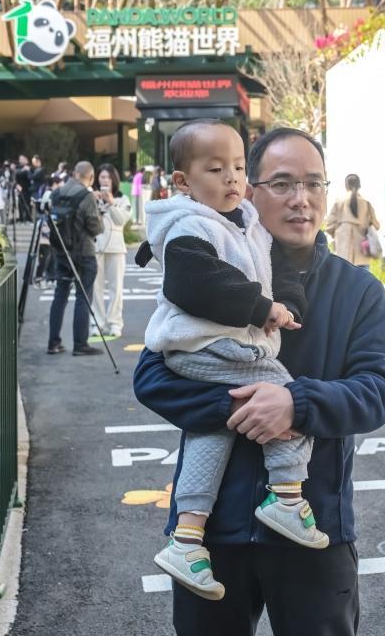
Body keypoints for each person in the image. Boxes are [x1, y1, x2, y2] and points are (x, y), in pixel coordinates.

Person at [133, 127, 385, 635]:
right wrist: (242, 408)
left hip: (315, 525)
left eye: (314, 184)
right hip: (211, 534)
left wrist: (294, 404)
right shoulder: (208, 275)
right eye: (282, 184)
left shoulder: (357, 289)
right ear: (248, 190)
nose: (301, 200)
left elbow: (378, 392)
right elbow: (152, 376)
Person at [134, 119, 326, 601]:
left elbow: (276, 273)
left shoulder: (245, 223)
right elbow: (194, 282)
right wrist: (263, 310)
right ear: (183, 182)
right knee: (283, 391)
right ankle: (287, 495)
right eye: (216, 169)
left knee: (212, 429)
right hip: (203, 344)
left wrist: (288, 304)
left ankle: (187, 538)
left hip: (210, 348)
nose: (232, 179)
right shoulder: (190, 225)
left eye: (238, 168)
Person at [47, 161, 104, 356]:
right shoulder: (86, 196)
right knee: (83, 297)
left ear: (74, 173)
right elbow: (95, 227)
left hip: (62, 252)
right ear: (91, 177)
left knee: (60, 295)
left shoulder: (57, 193)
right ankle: (80, 344)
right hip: (84, 253)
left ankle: (53, 343)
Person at [90, 164, 131, 337]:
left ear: (113, 179)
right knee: (95, 288)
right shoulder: (92, 197)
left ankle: (114, 323)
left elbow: (121, 220)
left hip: (116, 248)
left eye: (107, 177)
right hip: (96, 247)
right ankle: (97, 323)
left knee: (116, 288)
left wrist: (111, 202)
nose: (104, 180)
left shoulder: (123, 199)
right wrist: (93, 200)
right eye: (101, 177)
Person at [324, 173, 380, 267]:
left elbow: (329, 226)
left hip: (343, 255)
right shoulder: (366, 204)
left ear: (346, 186)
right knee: (364, 280)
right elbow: (376, 226)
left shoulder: (339, 203)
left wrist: (339, 235)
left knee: (344, 281)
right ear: (359, 186)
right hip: (363, 254)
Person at [14, 154, 33, 222]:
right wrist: (16, 185)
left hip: (27, 188)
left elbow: (31, 177)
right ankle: (21, 218)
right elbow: (14, 176)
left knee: (28, 203)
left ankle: (29, 218)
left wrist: (27, 170)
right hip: (20, 188)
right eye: (20, 159)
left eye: (22, 159)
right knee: (20, 204)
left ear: (26, 160)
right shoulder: (17, 167)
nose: (20, 160)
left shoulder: (29, 168)